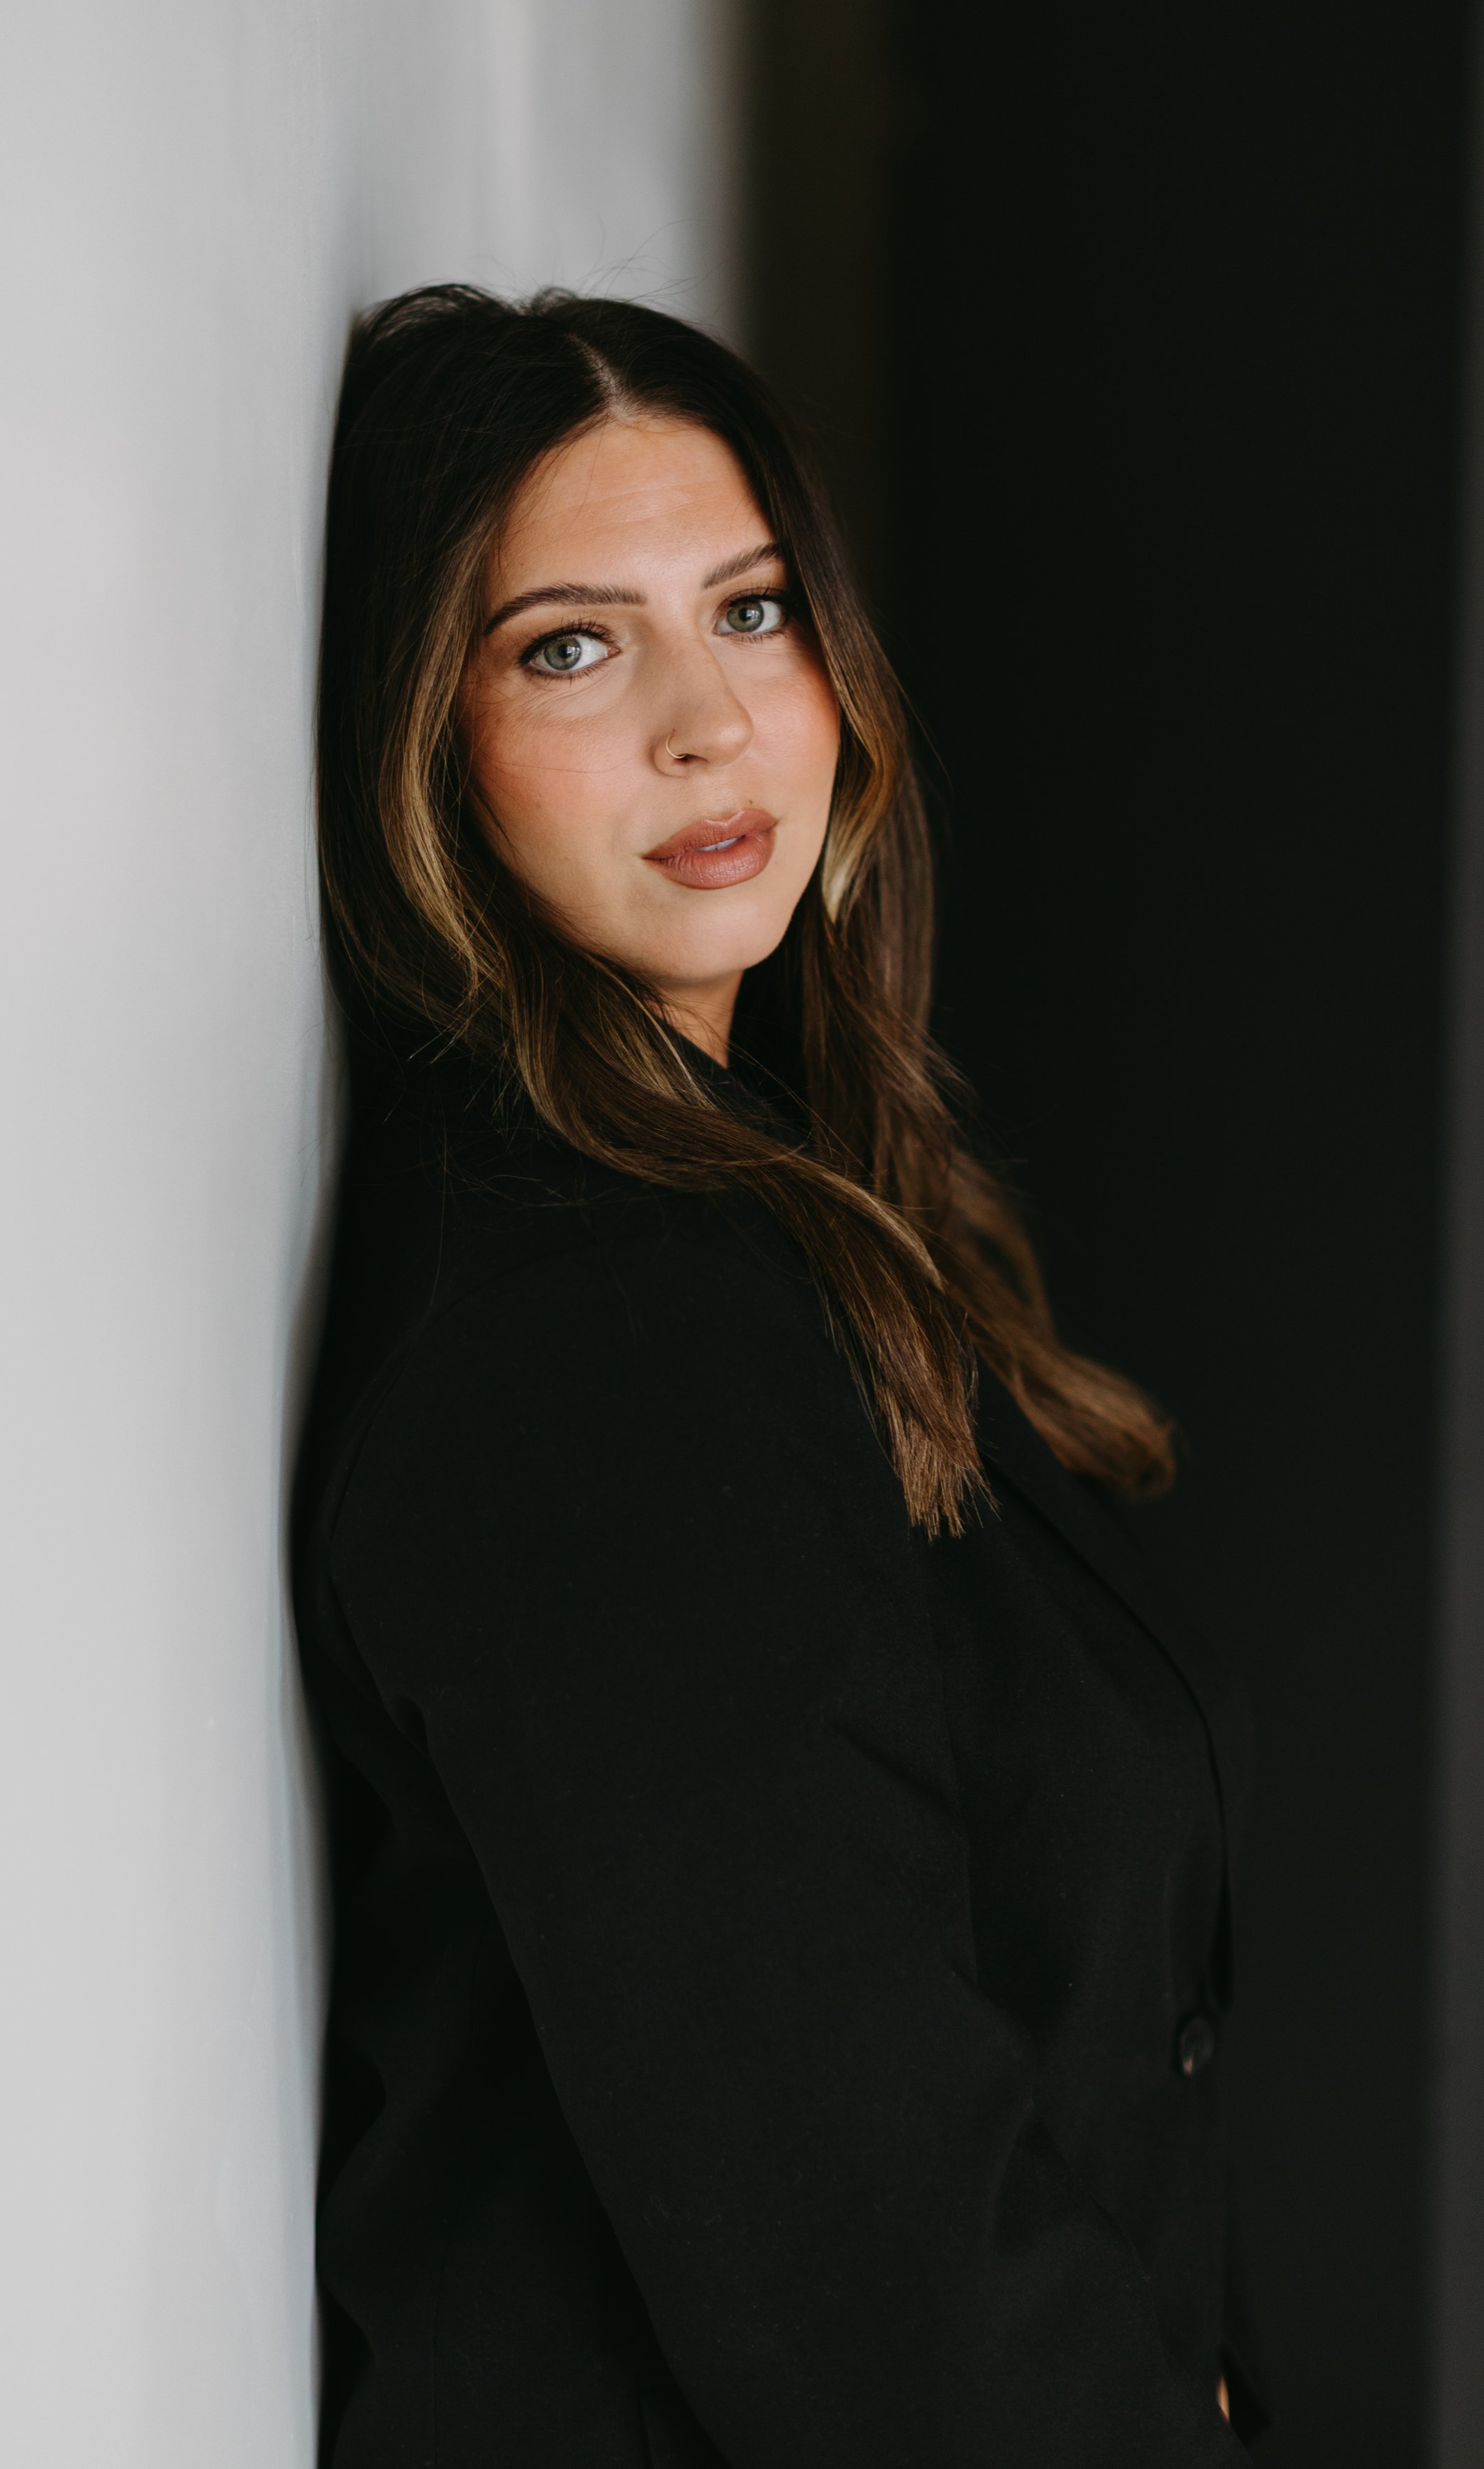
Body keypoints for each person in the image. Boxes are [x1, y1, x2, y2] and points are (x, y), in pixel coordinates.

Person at [292, 283, 1263, 2467]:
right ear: (414, 734)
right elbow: (856, 2229)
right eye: (568, 645)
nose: (708, 726)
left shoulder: (782, 1215)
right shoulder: (598, 1330)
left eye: (748, 611)